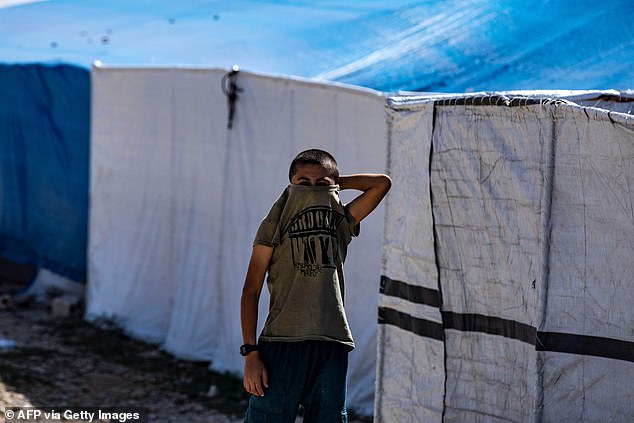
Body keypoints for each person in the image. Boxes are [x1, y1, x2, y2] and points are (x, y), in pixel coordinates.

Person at [240, 148, 391, 423]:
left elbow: (381, 183)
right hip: (281, 343)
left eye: (320, 184)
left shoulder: (339, 223)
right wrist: (250, 354)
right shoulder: (274, 224)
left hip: (331, 341)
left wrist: (334, 183)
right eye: (303, 184)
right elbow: (251, 290)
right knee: (268, 417)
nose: (312, 189)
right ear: (290, 185)